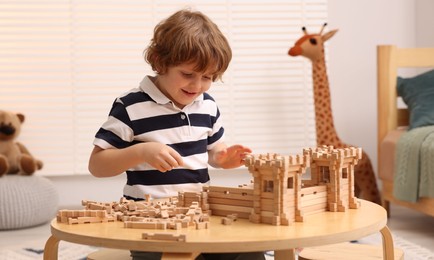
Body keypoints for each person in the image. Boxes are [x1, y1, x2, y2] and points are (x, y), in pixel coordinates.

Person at [88, 9, 265, 260]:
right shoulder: (131, 107)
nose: (197, 86)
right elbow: (97, 165)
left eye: (207, 77)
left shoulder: (207, 105)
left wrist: (223, 158)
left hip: (200, 217)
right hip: (148, 223)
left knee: (250, 252)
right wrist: (141, 151)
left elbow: (214, 151)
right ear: (161, 62)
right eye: (188, 74)